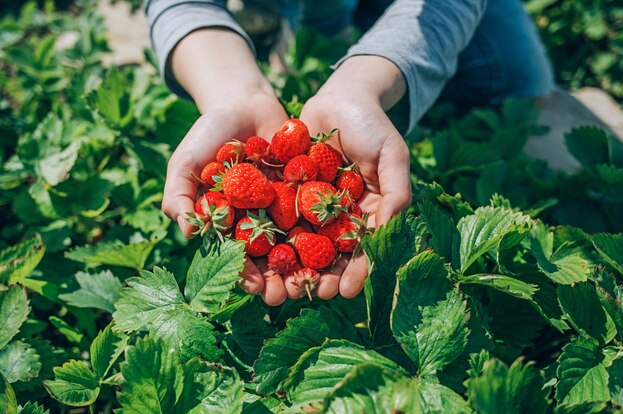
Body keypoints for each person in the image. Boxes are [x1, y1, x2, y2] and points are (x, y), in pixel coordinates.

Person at [144, 0, 554, 305]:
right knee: (312, 30)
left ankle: (321, 34)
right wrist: (235, 95)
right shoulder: (282, 194)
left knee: (521, 91)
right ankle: (288, 21)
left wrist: (364, 85)